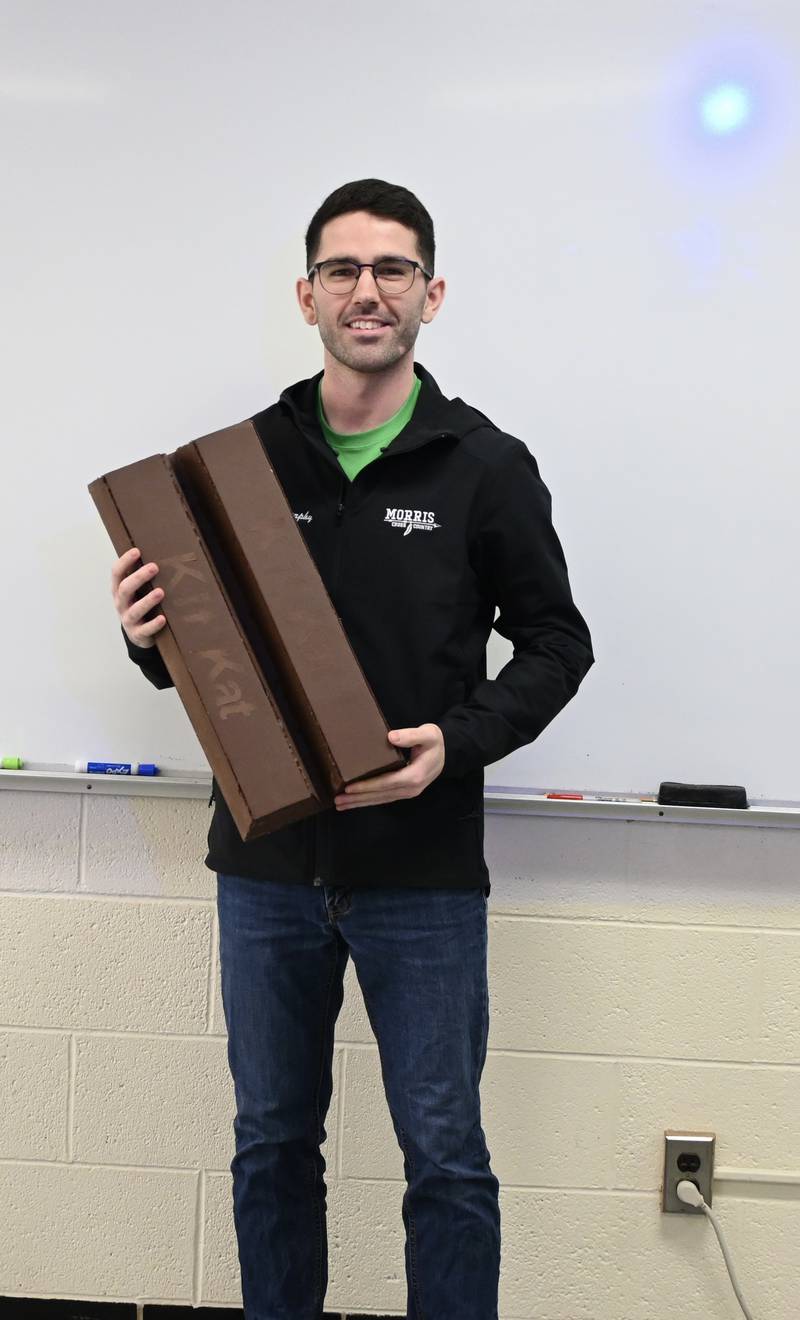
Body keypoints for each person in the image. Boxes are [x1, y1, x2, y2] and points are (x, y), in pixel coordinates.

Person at [110, 178, 594, 1320]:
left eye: (389, 270)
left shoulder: (484, 465)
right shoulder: (234, 466)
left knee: (446, 1160)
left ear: (430, 294)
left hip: (420, 874)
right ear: (306, 295)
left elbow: (555, 645)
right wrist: (143, 633)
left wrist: (460, 743)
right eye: (341, 270)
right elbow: (206, 656)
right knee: (271, 1147)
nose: (364, 291)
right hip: (267, 873)